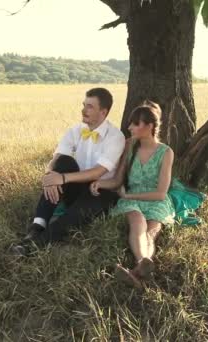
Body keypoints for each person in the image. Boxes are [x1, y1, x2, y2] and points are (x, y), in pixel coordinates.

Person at [10, 88, 125, 256]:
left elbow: (97, 172)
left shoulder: (115, 137)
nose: (83, 110)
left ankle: (31, 247)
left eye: (90, 107)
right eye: (84, 105)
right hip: (76, 188)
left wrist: (62, 178)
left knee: (70, 217)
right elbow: (56, 159)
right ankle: (36, 227)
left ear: (103, 112)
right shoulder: (76, 130)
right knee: (63, 161)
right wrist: (51, 177)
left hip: (100, 192)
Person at [89, 101, 175, 287]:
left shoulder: (166, 152)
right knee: (138, 222)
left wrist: (127, 196)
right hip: (132, 199)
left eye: (135, 124)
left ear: (149, 126)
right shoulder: (129, 146)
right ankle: (141, 265)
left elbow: (161, 194)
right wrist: (100, 183)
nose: (129, 127)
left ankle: (137, 271)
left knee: (151, 233)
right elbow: (118, 180)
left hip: (155, 200)